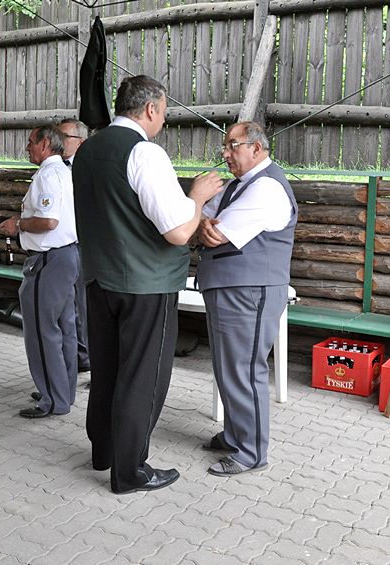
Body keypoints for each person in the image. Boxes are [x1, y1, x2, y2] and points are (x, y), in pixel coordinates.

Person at [73, 75, 222, 495]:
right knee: (143, 377)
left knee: (106, 369)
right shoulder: (145, 152)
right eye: (165, 113)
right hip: (145, 283)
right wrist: (196, 195)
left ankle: (102, 450)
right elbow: (177, 231)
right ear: (152, 109)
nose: (163, 120)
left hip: (99, 278)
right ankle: (131, 470)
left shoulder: (87, 151)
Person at [195, 121, 297, 476]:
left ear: (256, 148)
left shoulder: (266, 187)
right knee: (228, 367)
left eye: (232, 146)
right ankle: (236, 433)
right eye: (225, 147)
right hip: (231, 288)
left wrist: (209, 226)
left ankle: (251, 451)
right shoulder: (241, 185)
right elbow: (202, 222)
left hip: (250, 292)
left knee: (244, 368)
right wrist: (207, 225)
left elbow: (215, 232)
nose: (225, 155)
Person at [0, 125, 80, 419]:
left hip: (48, 260)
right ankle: (63, 391)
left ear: (46, 143)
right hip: (67, 256)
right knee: (64, 329)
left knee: (42, 332)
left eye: (31, 142)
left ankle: (52, 400)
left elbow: (47, 222)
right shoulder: (65, 172)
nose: (27, 148)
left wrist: (17, 224)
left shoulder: (48, 174)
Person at [57, 118, 91, 373]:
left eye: (64, 138)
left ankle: (89, 358)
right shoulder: (56, 168)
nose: (59, 142)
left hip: (85, 246)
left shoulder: (91, 168)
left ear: (81, 142)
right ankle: (75, 359)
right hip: (63, 247)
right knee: (66, 307)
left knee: (84, 306)